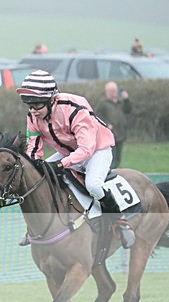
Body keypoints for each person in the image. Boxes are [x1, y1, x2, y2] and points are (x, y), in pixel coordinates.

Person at [17, 69, 134, 248]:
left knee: (93, 184)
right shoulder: (33, 116)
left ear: (51, 99)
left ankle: (120, 221)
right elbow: (34, 148)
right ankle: (35, 228)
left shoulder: (73, 107)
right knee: (38, 179)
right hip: (69, 152)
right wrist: (34, 166)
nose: (33, 110)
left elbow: (86, 149)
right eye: (29, 105)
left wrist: (62, 164)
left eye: (37, 104)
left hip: (97, 149)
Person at [95, 81, 132, 168]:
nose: (115, 92)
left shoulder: (120, 102)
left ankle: (117, 171)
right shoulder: (103, 103)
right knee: (112, 158)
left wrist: (126, 99)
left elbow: (128, 110)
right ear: (108, 92)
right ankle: (111, 172)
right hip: (110, 135)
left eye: (115, 90)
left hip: (121, 133)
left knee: (118, 158)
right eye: (112, 91)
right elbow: (97, 116)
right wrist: (107, 124)